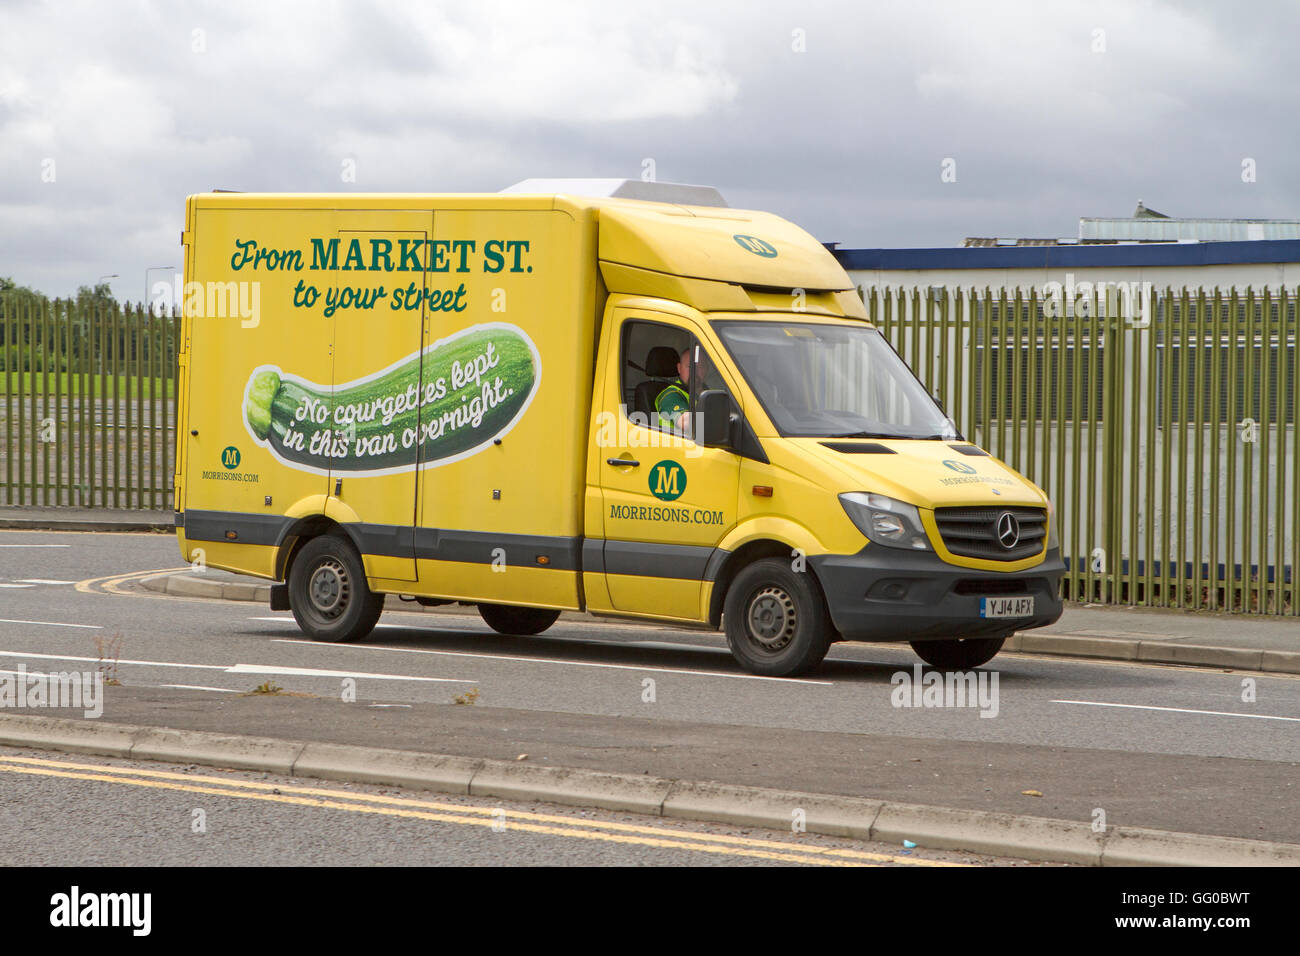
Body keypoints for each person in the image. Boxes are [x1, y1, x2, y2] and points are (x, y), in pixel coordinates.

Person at [655, 347, 708, 434]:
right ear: (679, 368)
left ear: (706, 369)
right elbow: (686, 423)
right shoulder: (670, 395)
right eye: (690, 366)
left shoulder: (711, 392)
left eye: (700, 366)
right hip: (676, 446)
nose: (694, 372)